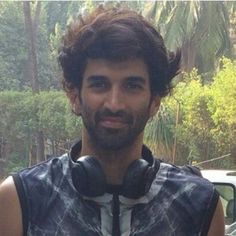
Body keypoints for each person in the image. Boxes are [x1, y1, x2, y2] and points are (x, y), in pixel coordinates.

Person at [0, 6, 224, 236]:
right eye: (99, 84)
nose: (114, 104)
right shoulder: (22, 200)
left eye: (132, 86)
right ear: (75, 95)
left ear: (154, 101)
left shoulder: (198, 205)